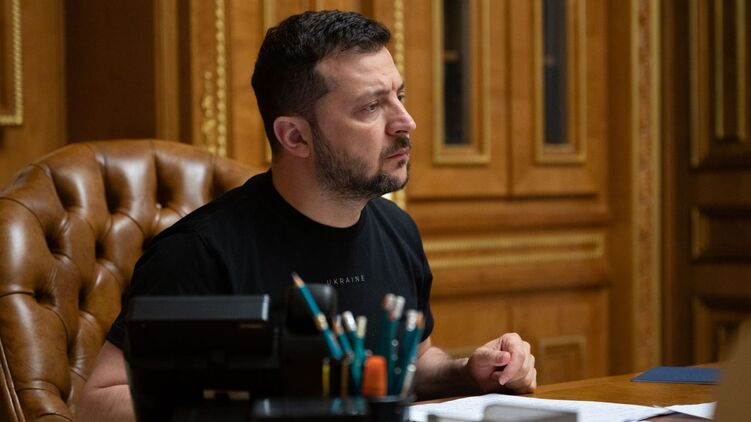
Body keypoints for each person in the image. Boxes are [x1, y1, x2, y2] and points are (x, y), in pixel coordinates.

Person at [77, 10, 536, 421]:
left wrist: (468, 371)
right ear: (295, 137)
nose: (405, 121)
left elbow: (406, 362)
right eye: (371, 106)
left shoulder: (397, 229)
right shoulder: (197, 254)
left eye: (399, 96)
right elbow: (97, 403)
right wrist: (256, 405)